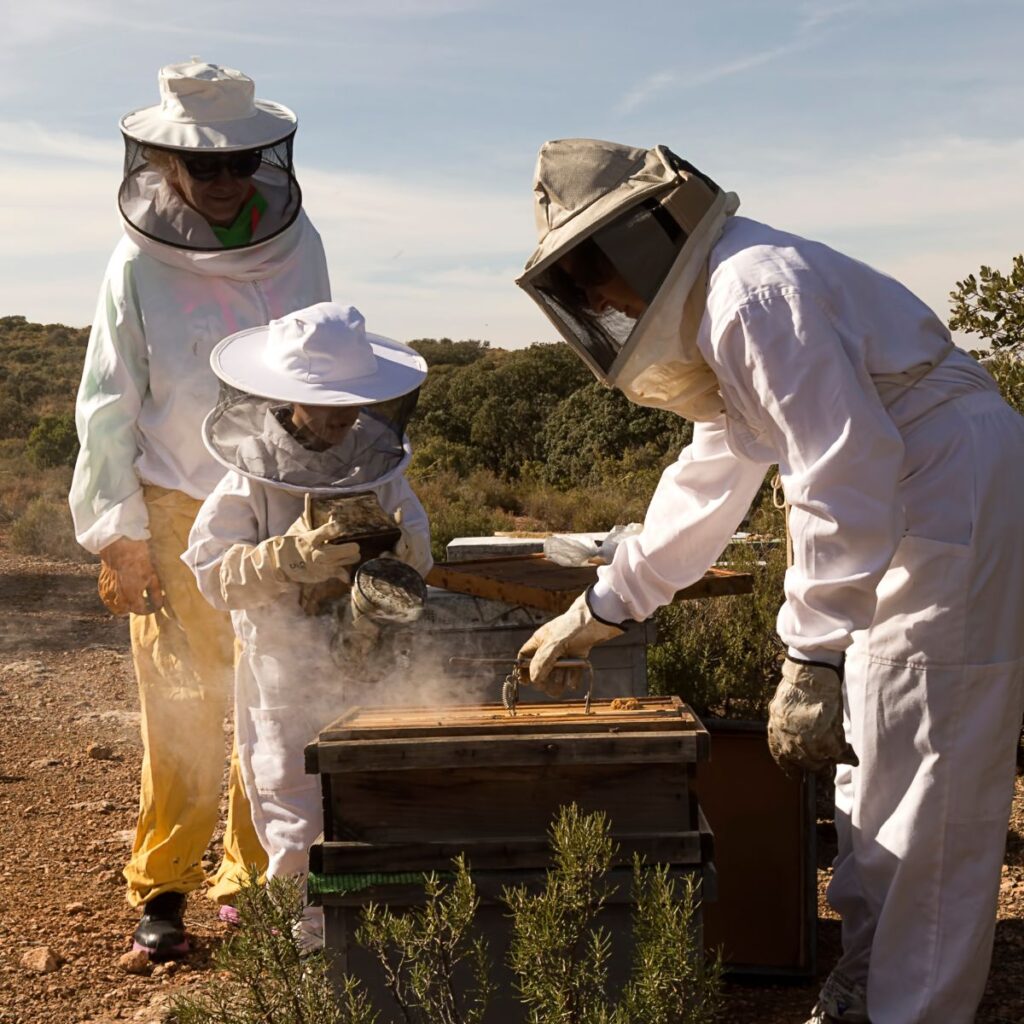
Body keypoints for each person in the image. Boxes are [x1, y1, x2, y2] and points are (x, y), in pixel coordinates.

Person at [514, 139, 1024, 1024]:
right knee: (871, 762)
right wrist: (604, 603)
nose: (596, 297)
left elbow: (843, 461)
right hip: (909, 493)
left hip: (948, 491)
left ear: (641, 240)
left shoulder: (753, 292)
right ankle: (873, 978)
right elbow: (714, 474)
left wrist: (812, 649)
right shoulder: (726, 305)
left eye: (593, 269)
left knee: (928, 770)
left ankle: (918, 1009)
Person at [69, 59, 331, 957]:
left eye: (241, 163)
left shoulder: (302, 245)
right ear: (164, 165)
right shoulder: (136, 261)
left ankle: (258, 886)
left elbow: (322, 371)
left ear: (266, 160)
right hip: (175, 499)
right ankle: (166, 892)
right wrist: (119, 535)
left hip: (275, 497)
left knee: (274, 696)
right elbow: (107, 399)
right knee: (179, 703)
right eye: (205, 167)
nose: (224, 182)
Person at [183, 301, 432, 947]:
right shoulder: (247, 476)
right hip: (283, 661)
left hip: (370, 648)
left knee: (368, 792)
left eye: (352, 402)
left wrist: (405, 552)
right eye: (327, 404)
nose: (343, 418)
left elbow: (417, 535)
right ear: (289, 397)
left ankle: (363, 932)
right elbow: (212, 575)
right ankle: (314, 943)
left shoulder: (374, 458)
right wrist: (286, 557)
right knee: (294, 800)